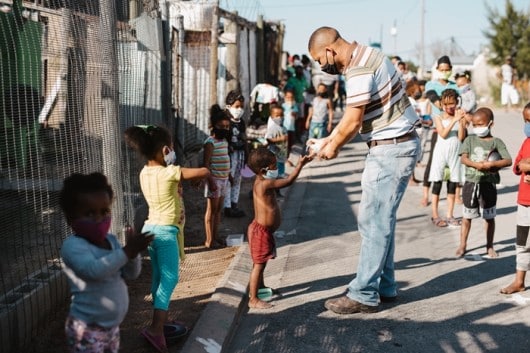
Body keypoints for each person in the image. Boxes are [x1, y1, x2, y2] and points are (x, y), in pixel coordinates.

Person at [307, 26, 420, 314]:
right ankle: (386, 286)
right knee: (383, 221)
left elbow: (352, 120)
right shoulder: (369, 55)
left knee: (373, 223)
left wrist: (333, 147)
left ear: (331, 50)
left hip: (390, 149)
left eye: (320, 60)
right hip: (395, 145)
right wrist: (326, 139)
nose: (322, 66)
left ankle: (364, 293)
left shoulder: (358, 69)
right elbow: (350, 117)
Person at [124, 125, 210, 352]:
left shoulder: (145, 172)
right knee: (170, 280)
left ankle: (163, 319)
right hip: (165, 232)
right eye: (171, 148)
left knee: (158, 277)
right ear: (165, 150)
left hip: (151, 228)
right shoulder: (169, 172)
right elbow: (203, 171)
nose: (173, 152)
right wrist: (195, 176)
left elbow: (172, 183)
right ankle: (155, 328)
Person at [59, 172, 153, 353]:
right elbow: (93, 270)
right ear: (71, 218)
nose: (98, 219)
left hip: (111, 329)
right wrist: (127, 251)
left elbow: (131, 274)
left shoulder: (111, 241)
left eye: (104, 211)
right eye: (89, 213)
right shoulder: (72, 247)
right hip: (87, 329)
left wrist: (133, 255)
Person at [246, 147, 312, 308]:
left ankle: (260, 288)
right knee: (259, 265)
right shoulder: (264, 183)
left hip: (262, 231)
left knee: (260, 263)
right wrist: (300, 165)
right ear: (264, 170)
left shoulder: (261, 180)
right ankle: (253, 299)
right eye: (274, 166)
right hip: (260, 232)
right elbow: (288, 181)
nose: (276, 169)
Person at [457, 107, 512, 258]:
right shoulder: (470, 140)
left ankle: (489, 246)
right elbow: (463, 158)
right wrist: (477, 165)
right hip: (471, 182)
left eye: (481, 124)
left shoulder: (496, 142)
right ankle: (463, 244)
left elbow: (508, 160)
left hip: (488, 184)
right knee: (467, 216)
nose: (477, 128)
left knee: (489, 216)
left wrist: (493, 165)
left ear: (490, 124)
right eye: (474, 125)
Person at [501, 103, 530, 294]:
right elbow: (518, 165)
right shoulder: (526, 142)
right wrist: (523, 166)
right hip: (525, 202)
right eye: (526, 121)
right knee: (522, 243)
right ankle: (519, 281)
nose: (528, 124)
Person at [428, 89, 466, 228]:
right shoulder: (437, 117)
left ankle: (450, 215)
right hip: (441, 152)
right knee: (437, 183)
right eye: (446, 104)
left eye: (452, 103)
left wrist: (461, 121)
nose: (449, 107)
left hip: (455, 152)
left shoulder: (459, 117)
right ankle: (435, 215)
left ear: (457, 103)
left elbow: (461, 137)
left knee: (452, 183)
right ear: (442, 104)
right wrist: (454, 120)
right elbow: (443, 134)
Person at [203, 105, 231, 248]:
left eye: (227, 127)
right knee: (211, 210)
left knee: (219, 210)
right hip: (214, 181)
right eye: (221, 126)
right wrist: (211, 181)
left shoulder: (225, 141)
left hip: (224, 180)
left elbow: (226, 158)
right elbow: (206, 165)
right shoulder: (210, 143)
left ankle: (216, 235)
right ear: (214, 126)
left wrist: (229, 175)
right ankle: (209, 240)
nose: (225, 129)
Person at [224, 90, 248, 218]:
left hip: (240, 155)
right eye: (237, 106)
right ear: (229, 106)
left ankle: (234, 205)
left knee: (238, 180)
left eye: (241, 107)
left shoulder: (241, 122)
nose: (239, 109)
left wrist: (247, 154)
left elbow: (244, 138)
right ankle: (227, 207)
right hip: (229, 156)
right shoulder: (226, 123)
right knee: (229, 180)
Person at [420, 90, 441, 207]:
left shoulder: (446, 106)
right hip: (436, 134)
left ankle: (455, 195)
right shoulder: (430, 107)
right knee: (431, 163)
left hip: (447, 136)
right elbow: (427, 121)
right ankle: (425, 196)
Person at [265, 104, 289, 178]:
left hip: (282, 152)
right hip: (274, 152)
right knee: (274, 166)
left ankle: (281, 175)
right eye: (277, 115)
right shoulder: (272, 128)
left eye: (281, 115)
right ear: (272, 117)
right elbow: (268, 139)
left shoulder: (284, 127)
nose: (279, 117)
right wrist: (279, 139)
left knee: (281, 164)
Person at [282, 89, 299, 164]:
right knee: (285, 144)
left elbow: (295, 115)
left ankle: (287, 158)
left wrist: (292, 107)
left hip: (291, 128)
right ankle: (285, 159)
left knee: (290, 144)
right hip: (284, 127)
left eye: (291, 97)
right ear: (285, 97)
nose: (289, 99)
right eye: (288, 97)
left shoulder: (294, 105)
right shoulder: (283, 106)